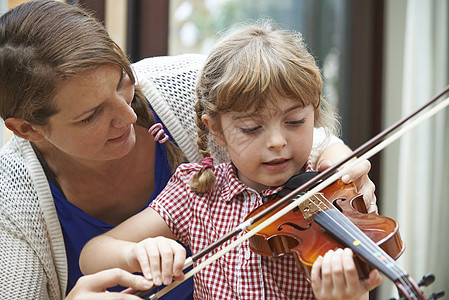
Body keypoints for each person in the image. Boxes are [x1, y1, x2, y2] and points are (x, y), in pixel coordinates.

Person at [0, 1, 375, 299]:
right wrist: (135, 254)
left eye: (122, 82)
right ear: (28, 129)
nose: (129, 114)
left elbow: (296, 119)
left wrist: (339, 163)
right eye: (91, 115)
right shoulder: (197, 192)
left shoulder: (196, 85)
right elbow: (95, 253)